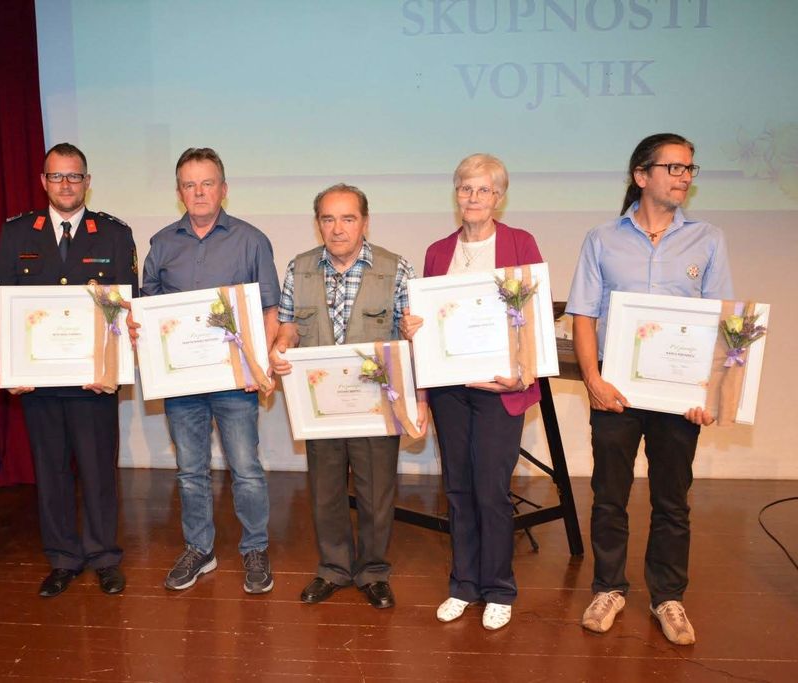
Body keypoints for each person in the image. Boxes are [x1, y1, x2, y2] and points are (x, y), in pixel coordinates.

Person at [566, 133, 733, 645]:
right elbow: (584, 316)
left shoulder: (707, 239)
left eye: (689, 168)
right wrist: (593, 380)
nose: (684, 177)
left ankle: (668, 597)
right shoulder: (602, 239)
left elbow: (721, 322)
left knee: (672, 500)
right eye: (673, 167)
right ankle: (608, 588)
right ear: (642, 175)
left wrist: (711, 395)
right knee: (609, 495)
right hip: (615, 392)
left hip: (679, 398)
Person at [400, 154, 543, 630]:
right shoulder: (438, 251)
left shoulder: (520, 243)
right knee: (458, 488)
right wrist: (412, 328)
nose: (474, 197)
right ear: (456, 194)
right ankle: (463, 583)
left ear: (499, 197)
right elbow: (428, 322)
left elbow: (533, 318)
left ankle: (499, 588)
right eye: (466, 188)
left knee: (491, 489)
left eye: (484, 189)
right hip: (450, 390)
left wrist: (521, 375)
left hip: (500, 388)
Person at [270, 183, 426, 609]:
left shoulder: (397, 269)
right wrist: (281, 345)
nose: (337, 228)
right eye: (328, 219)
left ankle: (373, 571)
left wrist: (414, 338)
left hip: (377, 405)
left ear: (365, 223)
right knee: (325, 491)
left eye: (348, 218)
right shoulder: (299, 268)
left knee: (377, 494)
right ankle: (334, 569)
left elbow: (414, 334)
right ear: (318, 223)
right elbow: (288, 325)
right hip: (321, 406)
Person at [0, 143, 138, 598]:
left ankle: (104, 556)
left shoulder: (114, 234)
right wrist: (12, 367)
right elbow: (5, 306)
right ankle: (62, 558)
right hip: (39, 382)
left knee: (98, 471)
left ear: (87, 181)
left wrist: (112, 366)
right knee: (51, 472)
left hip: (94, 381)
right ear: (43, 181)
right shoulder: (17, 233)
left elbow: (126, 308)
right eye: (56, 176)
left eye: (74, 176)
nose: (66, 184)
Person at [140, 147, 279, 594]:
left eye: (207, 183)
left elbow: (270, 310)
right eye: (189, 184)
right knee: (190, 471)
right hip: (182, 381)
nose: (198, 192)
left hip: (234, 381)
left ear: (223, 188)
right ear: (179, 191)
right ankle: (200, 548)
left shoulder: (251, 240)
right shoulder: (162, 243)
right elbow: (148, 312)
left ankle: (255, 547)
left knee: (246, 468)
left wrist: (258, 367)